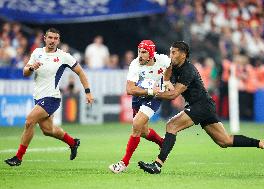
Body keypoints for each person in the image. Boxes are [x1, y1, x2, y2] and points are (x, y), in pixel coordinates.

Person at [138, 41, 264, 174]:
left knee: (171, 125)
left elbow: (174, 94)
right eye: (170, 52)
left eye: (174, 52)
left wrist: (152, 94)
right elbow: (167, 77)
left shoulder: (188, 70)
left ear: (183, 54)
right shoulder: (175, 66)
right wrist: (168, 77)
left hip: (201, 105)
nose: (171, 55)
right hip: (204, 105)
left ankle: (157, 165)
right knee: (224, 141)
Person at [4, 28, 94, 166]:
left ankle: (18, 157)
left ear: (58, 40)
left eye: (55, 38)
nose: (52, 41)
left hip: (52, 97)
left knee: (29, 121)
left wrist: (87, 92)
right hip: (38, 97)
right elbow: (25, 72)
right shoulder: (37, 53)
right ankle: (73, 142)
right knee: (48, 130)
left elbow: (81, 72)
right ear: (45, 38)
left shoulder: (64, 56)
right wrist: (32, 67)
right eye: (50, 37)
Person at [108, 40, 174, 173]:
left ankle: (123, 163)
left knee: (136, 124)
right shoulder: (135, 64)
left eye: (143, 52)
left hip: (155, 98)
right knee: (143, 132)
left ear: (151, 53)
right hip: (139, 97)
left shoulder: (163, 60)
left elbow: (173, 66)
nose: (140, 55)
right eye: (139, 51)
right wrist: (150, 91)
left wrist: (166, 81)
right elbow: (129, 89)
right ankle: (163, 143)